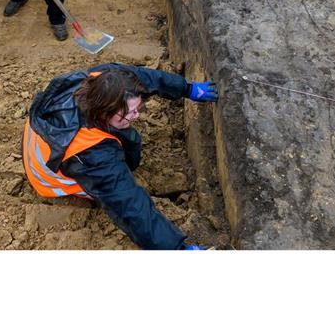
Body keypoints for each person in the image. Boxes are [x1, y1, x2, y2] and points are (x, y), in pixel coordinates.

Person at [22, 63, 219, 249]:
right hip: (51, 177)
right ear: (103, 114)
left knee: (127, 138)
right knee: (116, 189)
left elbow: (146, 78)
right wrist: (175, 249)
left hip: (50, 135)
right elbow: (130, 206)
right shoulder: (91, 154)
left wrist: (187, 89)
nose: (137, 115)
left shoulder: (102, 78)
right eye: (129, 113)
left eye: (138, 108)